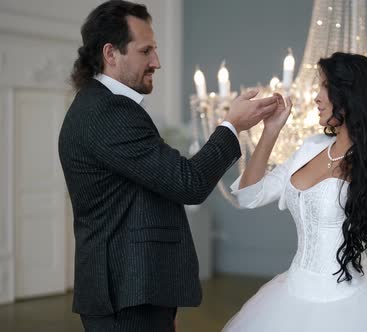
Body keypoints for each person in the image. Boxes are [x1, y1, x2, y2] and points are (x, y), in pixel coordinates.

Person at [58, 1, 280, 331]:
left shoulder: (105, 106)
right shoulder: (108, 112)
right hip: (126, 294)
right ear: (111, 53)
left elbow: (154, 190)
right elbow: (187, 183)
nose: (156, 62)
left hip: (137, 291)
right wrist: (232, 125)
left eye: (156, 50)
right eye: (145, 51)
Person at [224, 52, 367, 332]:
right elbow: (249, 195)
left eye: (325, 87)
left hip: (352, 308)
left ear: (350, 96)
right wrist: (270, 131)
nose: (317, 97)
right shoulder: (310, 148)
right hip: (288, 300)